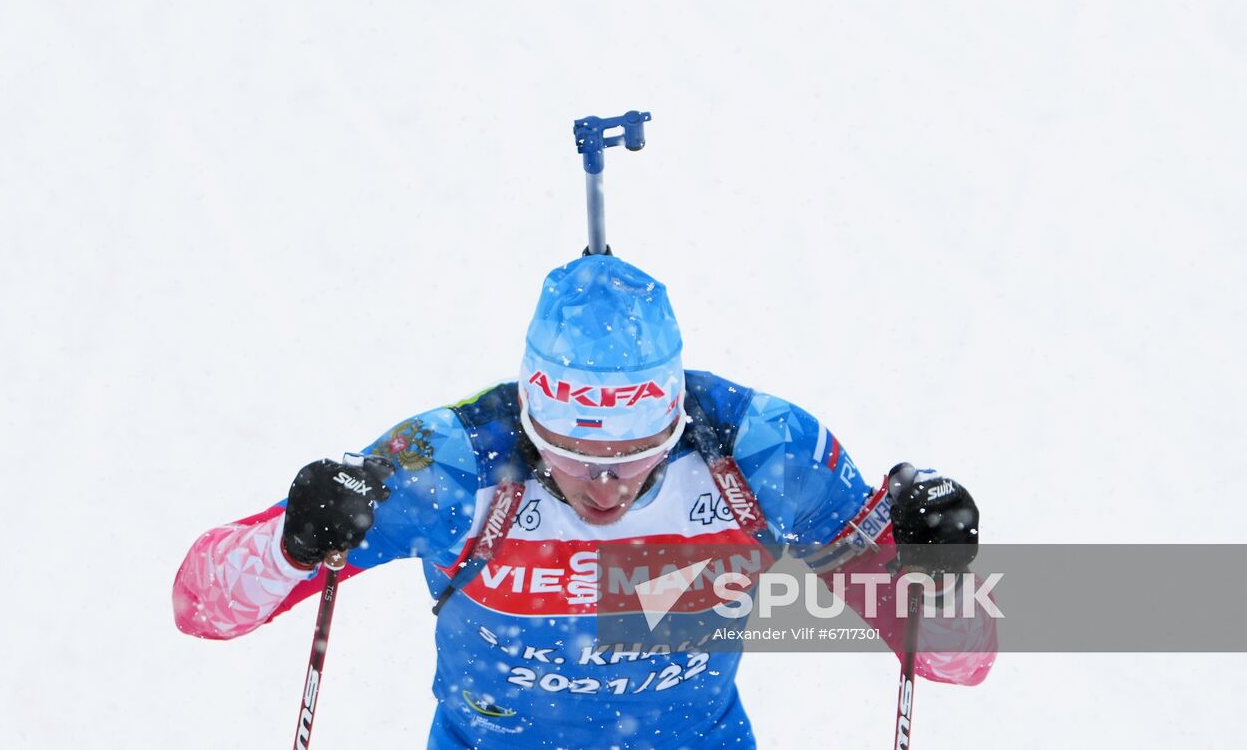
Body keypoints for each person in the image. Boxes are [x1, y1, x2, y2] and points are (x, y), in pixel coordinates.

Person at [173, 253, 996, 749]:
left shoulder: (764, 449)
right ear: (530, 418)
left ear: (673, 419)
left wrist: (939, 567)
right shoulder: (448, 464)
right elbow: (201, 603)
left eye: (634, 456)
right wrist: (291, 539)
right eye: (572, 454)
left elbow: (958, 660)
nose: (604, 485)